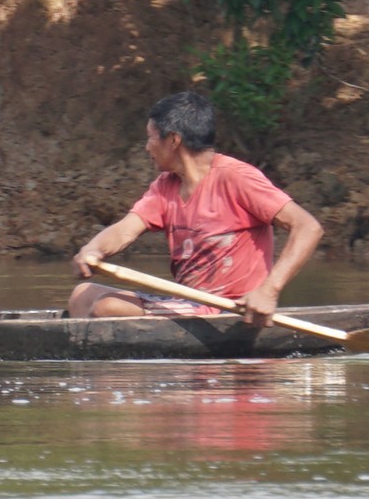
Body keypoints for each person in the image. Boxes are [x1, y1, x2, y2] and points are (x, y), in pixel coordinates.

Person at [68, 88, 325, 327]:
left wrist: (268, 291)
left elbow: (308, 227)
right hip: (188, 304)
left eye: (150, 138)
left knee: (109, 308)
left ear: (173, 140)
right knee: (81, 295)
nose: (147, 147)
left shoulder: (236, 178)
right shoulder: (165, 186)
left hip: (231, 309)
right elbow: (125, 230)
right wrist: (93, 249)